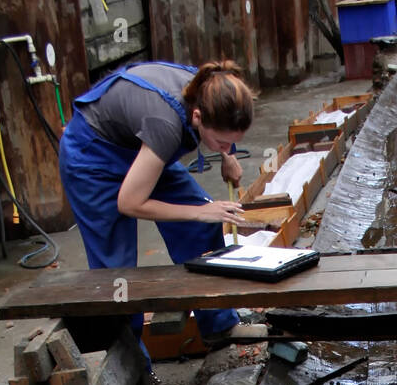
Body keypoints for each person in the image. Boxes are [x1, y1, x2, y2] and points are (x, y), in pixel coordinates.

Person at [58, 59, 253, 348]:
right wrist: (199, 211)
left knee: (202, 230)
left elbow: (223, 126)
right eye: (221, 143)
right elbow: (130, 203)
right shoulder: (166, 125)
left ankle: (219, 327)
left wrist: (228, 156)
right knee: (118, 275)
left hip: (140, 146)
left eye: (231, 142)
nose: (226, 146)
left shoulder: (210, 88)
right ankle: (133, 369)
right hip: (93, 159)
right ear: (197, 117)